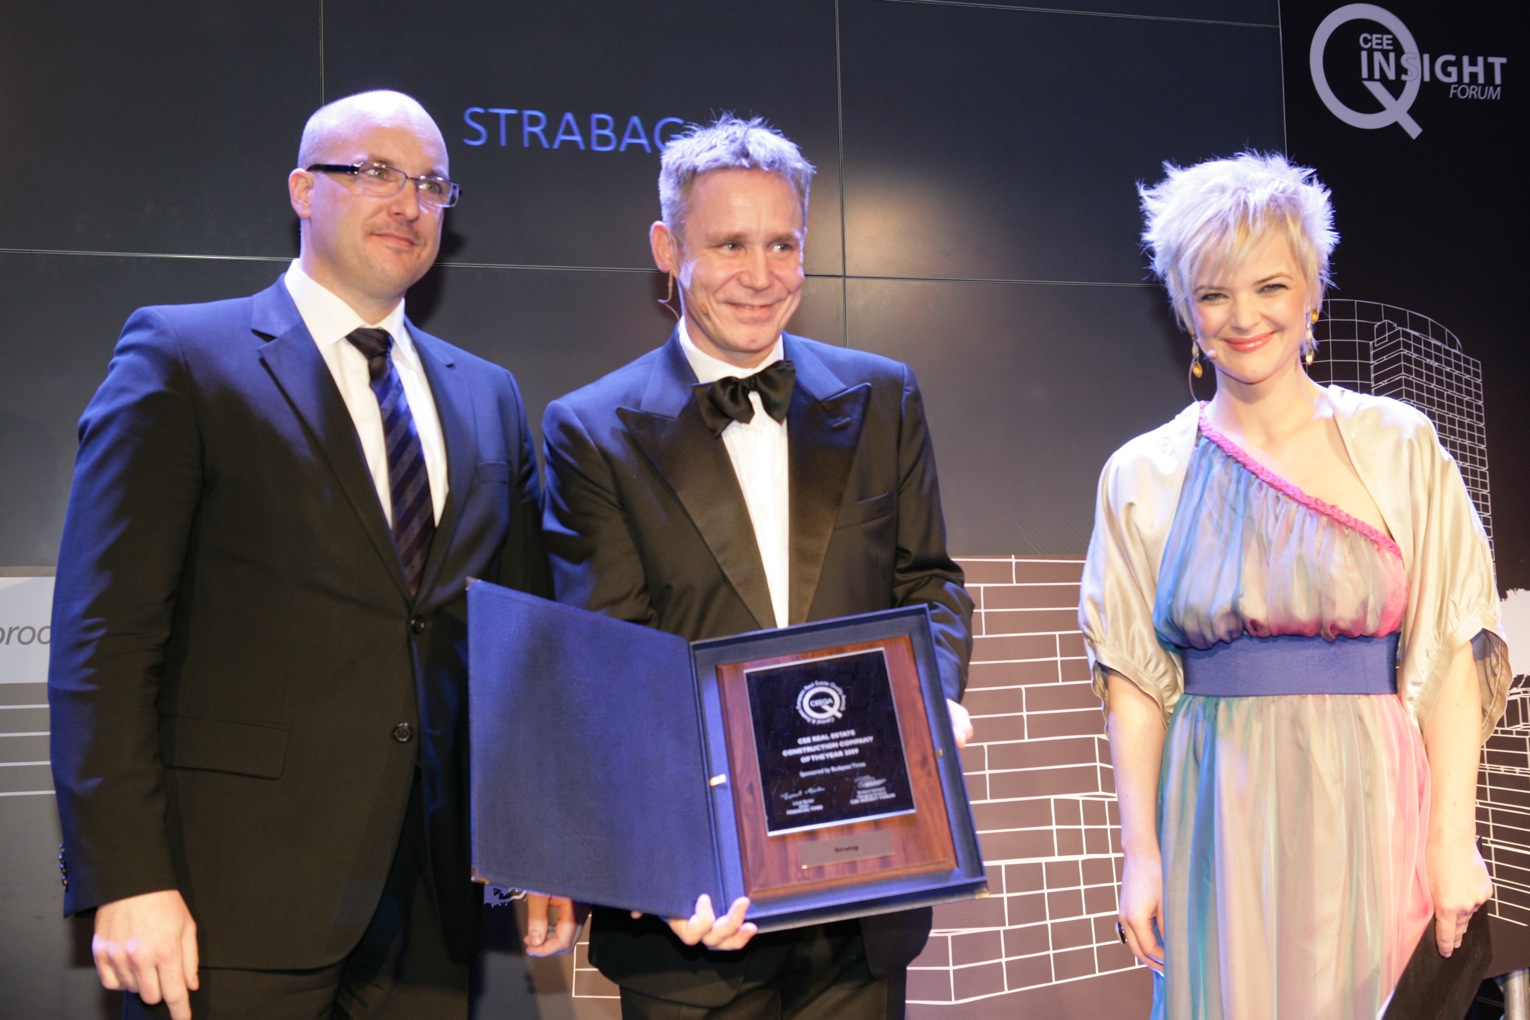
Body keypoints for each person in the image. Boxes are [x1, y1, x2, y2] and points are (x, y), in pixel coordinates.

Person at [48, 90, 553, 1019]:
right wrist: (126, 875)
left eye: (432, 184)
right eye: (375, 172)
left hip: (433, 908)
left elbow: (519, 647)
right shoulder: (182, 355)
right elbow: (104, 638)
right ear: (302, 190)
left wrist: (539, 847)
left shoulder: (489, 394)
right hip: (224, 899)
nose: (408, 202)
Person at [532, 114, 974, 1019]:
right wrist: (667, 861)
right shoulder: (591, 428)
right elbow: (610, 663)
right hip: (698, 913)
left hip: (864, 890)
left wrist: (929, 704)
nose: (762, 274)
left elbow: (929, 585)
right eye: (730, 244)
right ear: (668, 250)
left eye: (783, 244)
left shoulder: (883, 395)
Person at [1079, 152, 1511, 1018]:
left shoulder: (1398, 443)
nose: (1244, 317)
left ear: (1313, 291)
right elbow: (1133, 682)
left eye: (1270, 286)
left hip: (1372, 797)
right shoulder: (1142, 473)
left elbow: (1452, 651)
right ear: (1185, 310)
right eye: (1213, 294)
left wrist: (1452, 839)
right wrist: (1142, 856)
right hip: (1215, 810)